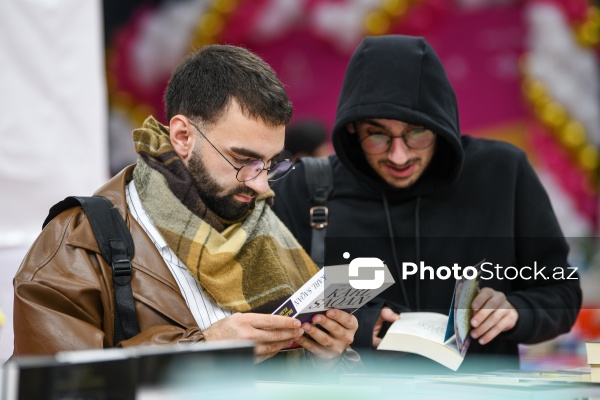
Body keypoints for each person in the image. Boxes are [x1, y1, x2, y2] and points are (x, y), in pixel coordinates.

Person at [12, 45, 359, 368]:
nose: (261, 185)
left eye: (270, 164)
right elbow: (54, 386)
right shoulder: (76, 244)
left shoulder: (269, 227)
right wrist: (201, 351)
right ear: (182, 137)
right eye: (243, 159)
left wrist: (329, 358)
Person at [271, 35, 582, 372]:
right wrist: (359, 325)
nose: (399, 155)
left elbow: (561, 293)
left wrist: (517, 310)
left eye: (417, 133)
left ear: (441, 126)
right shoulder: (305, 188)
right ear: (352, 131)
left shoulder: (504, 173)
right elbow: (268, 305)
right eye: (377, 135)